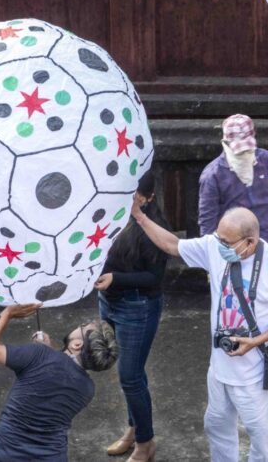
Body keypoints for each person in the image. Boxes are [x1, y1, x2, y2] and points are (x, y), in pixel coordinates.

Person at [132, 203, 268, 462]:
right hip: (219, 369)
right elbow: (172, 245)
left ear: (250, 241)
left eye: (226, 241)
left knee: (260, 439)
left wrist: (257, 340)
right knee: (216, 427)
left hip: (254, 374)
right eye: (218, 238)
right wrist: (139, 216)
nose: (220, 245)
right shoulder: (216, 247)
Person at [0, 303, 119, 462]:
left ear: (77, 345)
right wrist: (45, 350)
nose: (79, 325)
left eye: (82, 326)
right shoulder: (87, 389)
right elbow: (61, 373)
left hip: (5, 456)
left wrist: (7, 312)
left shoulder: (39, 355)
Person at [93, 171, 170, 461]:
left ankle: (145, 443)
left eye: (135, 195)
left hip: (137, 306)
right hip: (108, 301)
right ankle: (134, 429)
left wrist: (115, 279)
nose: (128, 199)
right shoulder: (112, 214)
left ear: (148, 197)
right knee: (129, 374)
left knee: (130, 376)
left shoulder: (154, 227)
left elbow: (154, 277)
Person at [199, 114, 268, 253]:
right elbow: (207, 222)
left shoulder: (265, 160)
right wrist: (211, 258)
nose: (244, 153)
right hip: (234, 248)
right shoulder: (212, 175)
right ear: (226, 143)